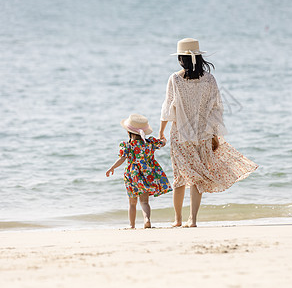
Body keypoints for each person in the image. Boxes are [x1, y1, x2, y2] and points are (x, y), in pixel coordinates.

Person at [159, 38, 258, 228]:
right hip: (203, 134)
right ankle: (192, 219)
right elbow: (216, 109)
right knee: (198, 177)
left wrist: (161, 132)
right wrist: (214, 134)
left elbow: (167, 108)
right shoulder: (209, 79)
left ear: (181, 59)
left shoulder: (175, 79)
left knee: (180, 177)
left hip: (180, 135)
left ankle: (178, 219)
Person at [107, 114, 172, 229]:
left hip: (132, 176)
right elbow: (162, 143)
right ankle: (147, 219)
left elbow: (122, 159)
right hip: (148, 175)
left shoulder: (128, 146)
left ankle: (132, 225)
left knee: (132, 203)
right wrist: (163, 139)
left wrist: (112, 168)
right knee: (145, 202)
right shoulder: (150, 143)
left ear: (128, 132)